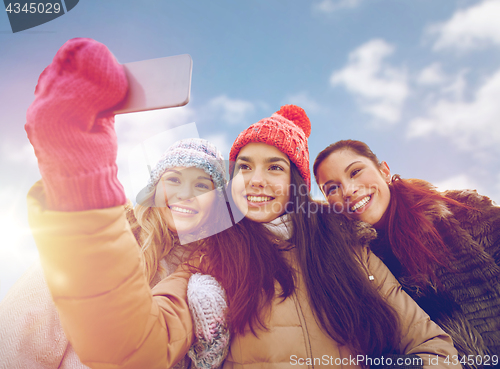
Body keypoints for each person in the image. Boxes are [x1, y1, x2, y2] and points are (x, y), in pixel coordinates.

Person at [24, 37, 459, 368]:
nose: (257, 180)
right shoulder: (209, 257)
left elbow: (433, 346)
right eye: (245, 167)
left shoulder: (348, 251)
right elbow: (134, 348)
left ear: (295, 184)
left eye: (275, 168)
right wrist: (80, 180)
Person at [0, 137, 231, 369]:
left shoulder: (212, 274)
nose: (185, 194)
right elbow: (27, 327)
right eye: (173, 179)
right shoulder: (109, 238)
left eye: (202, 185)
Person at [313, 139, 500, 364]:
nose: (348, 190)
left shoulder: (464, 211)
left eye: (355, 172)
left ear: (384, 171)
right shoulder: (352, 265)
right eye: (332, 188)